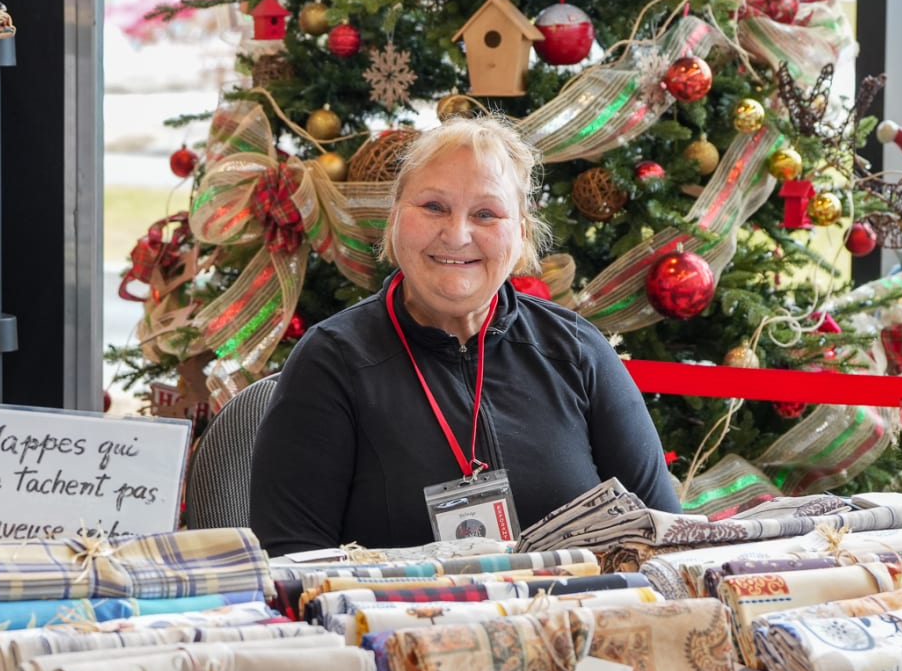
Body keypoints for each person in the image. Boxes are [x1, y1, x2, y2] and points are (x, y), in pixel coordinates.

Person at [249, 114, 680, 555]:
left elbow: (664, 540)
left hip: (576, 602)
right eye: (433, 207)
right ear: (394, 219)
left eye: (486, 214)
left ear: (521, 234)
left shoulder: (577, 350)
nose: (456, 235)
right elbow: (291, 562)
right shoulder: (332, 362)